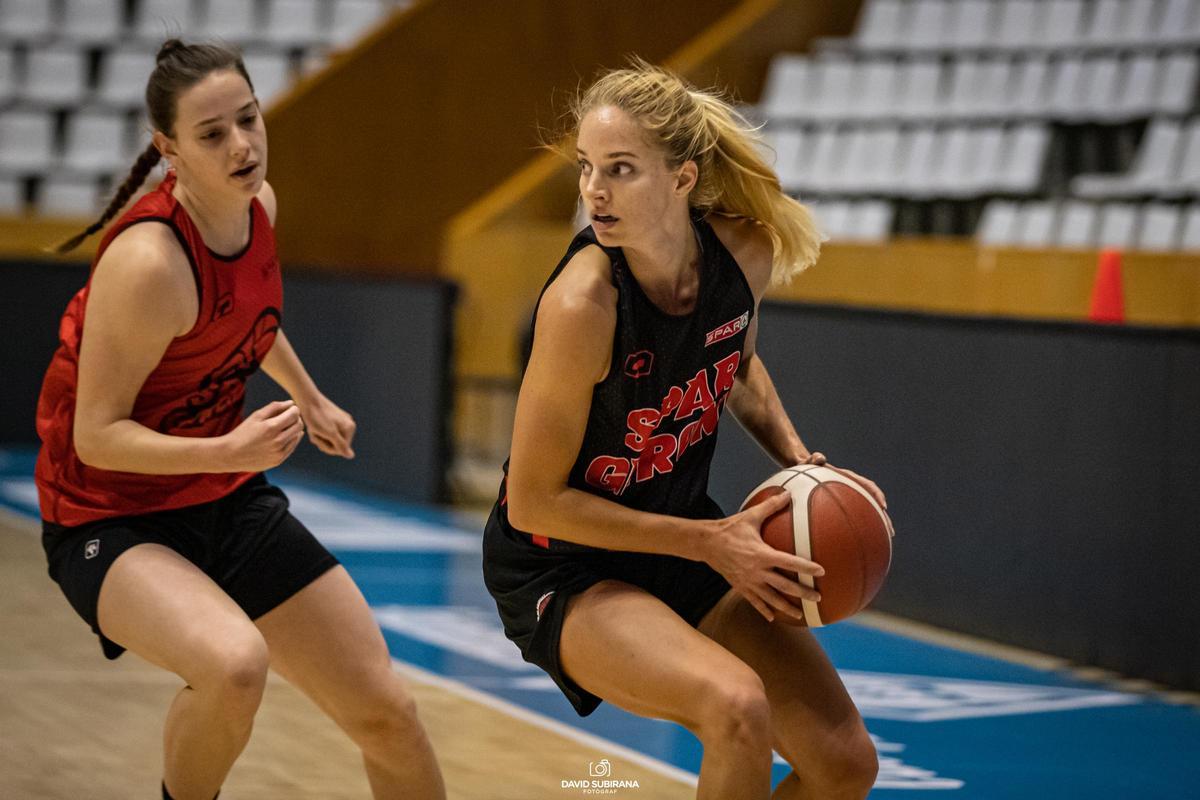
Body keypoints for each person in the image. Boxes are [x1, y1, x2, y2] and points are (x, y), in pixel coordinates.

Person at [37, 40, 445, 800]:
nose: (243, 145)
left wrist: (310, 395)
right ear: (170, 150)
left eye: (248, 120)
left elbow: (245, 319)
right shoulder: (150, 263)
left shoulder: (261, 207)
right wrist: (227, 446)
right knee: (233, 666)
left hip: (220, 493)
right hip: (109, 514)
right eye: (213, 134)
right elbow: (96, 435)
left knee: (389, 713)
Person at [483, 60, 889, 800]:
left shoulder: (745, 255)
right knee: (734, 708)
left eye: (621, 169)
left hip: (673, 537)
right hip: (560, 562)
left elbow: (735, 360)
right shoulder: (583, 306)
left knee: (845, 761)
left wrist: (801, 462)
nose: (594, 192)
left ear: (683, 178)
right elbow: (532, 504)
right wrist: (710, 541)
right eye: (586, 168)